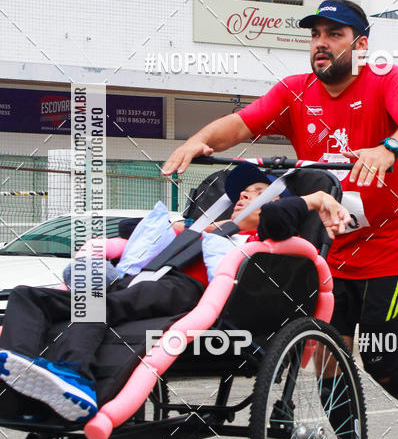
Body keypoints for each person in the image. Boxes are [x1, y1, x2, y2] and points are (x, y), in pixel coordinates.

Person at [162, 0, 398, 439]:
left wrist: (387, 149)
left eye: (334, 34)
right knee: (324, 354)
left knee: (380, 357)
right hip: (332, 246)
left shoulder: (384, 79)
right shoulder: (296, 92)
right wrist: (200, 140)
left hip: (390, 243)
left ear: (360, 45)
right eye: (316, 34)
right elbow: (242, 123)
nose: (321, 43)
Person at [0, 163, 349, 424]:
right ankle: (19, 373)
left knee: (97, 304)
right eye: (242, 192)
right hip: (142, 279)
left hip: (190, 293)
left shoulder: (266, 243)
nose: (243, 194)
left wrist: (316, 198)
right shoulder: (203, 231)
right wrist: (181, 227)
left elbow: (275, 218)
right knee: (28, 296)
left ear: (274, 203)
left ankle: (75, 373)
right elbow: (130, 229)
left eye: (257, 190)